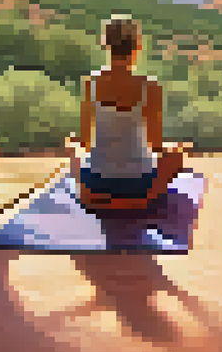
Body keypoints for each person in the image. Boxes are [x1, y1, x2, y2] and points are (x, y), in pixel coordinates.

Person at [68, 15, 188, 212]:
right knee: (177, 156)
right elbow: (155, 145)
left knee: (73, 147)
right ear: (137, 46)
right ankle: (142, 200)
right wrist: (173, 149)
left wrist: (76, 146)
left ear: (106, 45)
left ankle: (89, 195)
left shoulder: (91, 83)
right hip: (139, 183)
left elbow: (86, 141)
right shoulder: (150, 86)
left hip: (96, 182)